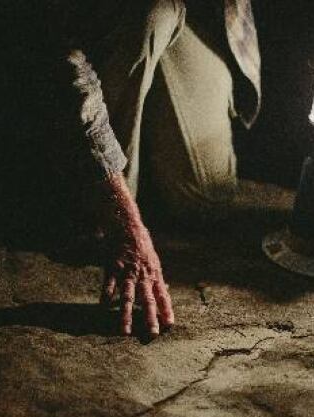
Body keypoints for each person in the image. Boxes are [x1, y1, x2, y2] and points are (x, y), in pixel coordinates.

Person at [52, 0, 261, 338]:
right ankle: (100, 190)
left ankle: (145, 127)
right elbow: (61, 54)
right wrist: (122, 216)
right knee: (155, 12)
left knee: (206, 199)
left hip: (190, 16)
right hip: (96, 24)